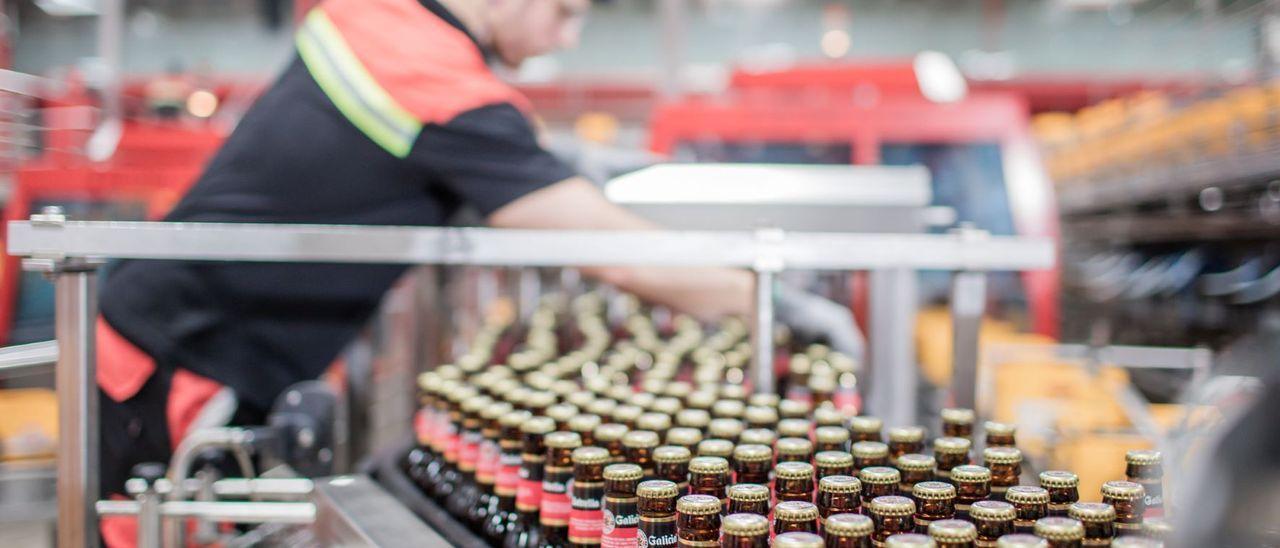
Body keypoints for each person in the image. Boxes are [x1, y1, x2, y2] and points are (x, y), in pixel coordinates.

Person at [94, 0, 861, 544]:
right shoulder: (437, 82)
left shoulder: (391, 28)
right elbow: (616, 253)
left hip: (198, 343)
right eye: (564, 11)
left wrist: (559, 165)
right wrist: (771, 301)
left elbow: (480, 155)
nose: (566, 33)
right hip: (174, 363)